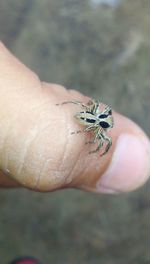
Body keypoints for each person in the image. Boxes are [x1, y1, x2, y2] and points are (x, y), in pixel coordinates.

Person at [0, 42, 149, 264]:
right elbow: (95, 120)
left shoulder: (98, 127)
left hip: (89, 121)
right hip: (86, 120)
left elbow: (99, 126)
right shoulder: (96, 124)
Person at [0, 42, 149, 194]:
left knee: (100, 133)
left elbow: (94, 109)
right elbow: (95, 115)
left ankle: (70, 108)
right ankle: (69, 109)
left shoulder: (97, 122)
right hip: (86, 118)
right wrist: (81, 134)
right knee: (101, 135)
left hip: (88, 118)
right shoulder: (98, 126)